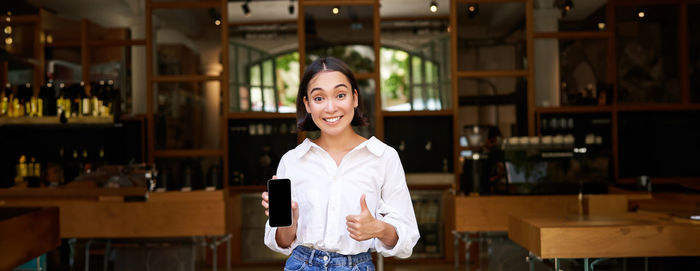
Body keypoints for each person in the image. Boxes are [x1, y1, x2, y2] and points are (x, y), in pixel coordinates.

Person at [260, 57, 420, 270]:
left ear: (354, 98)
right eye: (319, 98)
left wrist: (378, 228)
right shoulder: (292, 160)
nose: (330, 107)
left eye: (340, 95)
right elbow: (282, 242)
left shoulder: (383, 157)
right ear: (307, 104)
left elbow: (406, 241)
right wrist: (290, 221)